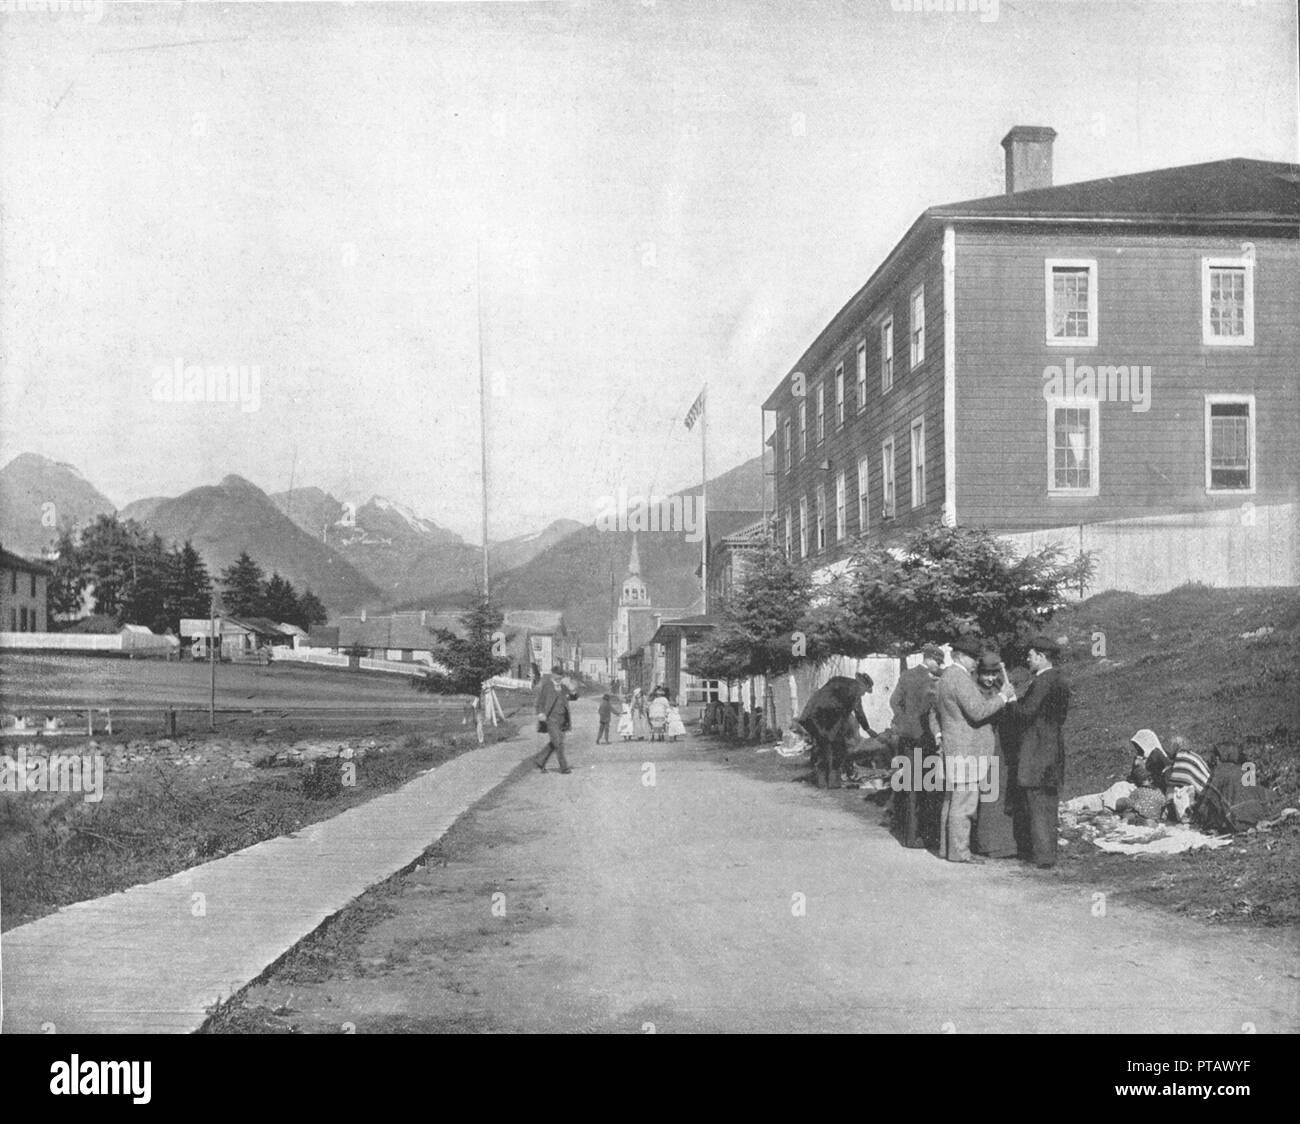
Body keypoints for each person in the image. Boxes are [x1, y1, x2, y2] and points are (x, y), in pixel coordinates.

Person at [931, 635, 1014, 863]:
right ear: (960, 656)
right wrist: (1002, 697)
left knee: (951, 801)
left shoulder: (946, 677)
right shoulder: (960, 678)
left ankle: (946, 849)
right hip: (967, 750)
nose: (976, 663)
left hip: (955, 746)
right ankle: (960, 853)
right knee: (964, 804)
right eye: (972, 658)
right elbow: (977, 711)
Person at [1007, 634, 1071, 868]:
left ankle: (1042, 857)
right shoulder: (1059, 680)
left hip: (1037, 751)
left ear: (1042, 657)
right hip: (1053, 748)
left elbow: (1026, 713)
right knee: (1048, 804)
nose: (1027, 658)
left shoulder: (1043, 681)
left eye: (1031, 655)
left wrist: (1012, 699)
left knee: (1037, 804)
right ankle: (1047, 854)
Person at [888, 645, 943, 848]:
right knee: (928, 786)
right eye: (937, 662)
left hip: (908, 738)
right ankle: (925, 835)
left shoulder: (906, 676)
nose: (939, 666)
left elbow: (894, 701)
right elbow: (933, 709)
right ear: (929, 659)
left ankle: (909, 835)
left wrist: (903, 721)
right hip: (926, 738)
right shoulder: (931, 680)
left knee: (910, 785)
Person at [972, 650, 1020, 859]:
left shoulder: (1002, 688)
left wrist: (1011, 700)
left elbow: (1013, 714)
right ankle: (988, 844)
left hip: (1002, 746)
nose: (990, 679)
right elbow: (981, 713)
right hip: (984, 747)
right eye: (986, 674)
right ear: (979, 673)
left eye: (993, 674)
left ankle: (1004, 844)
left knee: (1000, 794)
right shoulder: (974, 690)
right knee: (988, 795)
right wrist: (1003, 698)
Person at [795, 671, 879, 789]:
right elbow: (853, 711)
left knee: (824, 748)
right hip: (822, 719)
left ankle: (823, 782)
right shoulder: (854, 690)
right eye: (865, 691)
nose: (863, 694)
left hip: (811, 717)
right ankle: (832, 782)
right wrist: (868, 729)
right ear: (862, 685)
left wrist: (867, 728)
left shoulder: (842, 682)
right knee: (837, 749)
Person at [533, 665, 578, 774]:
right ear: (552, 674)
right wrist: (540, 713)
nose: (559, 678)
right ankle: (564, 767)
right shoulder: (547, 686)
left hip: (562, 720)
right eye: (557, 676)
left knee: (556, 742)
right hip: (551, 719)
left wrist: (573, 690)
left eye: (560, 677)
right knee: (558, 743)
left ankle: (540, 760)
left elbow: (574, 697)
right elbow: (539, 702)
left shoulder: (563, 687)